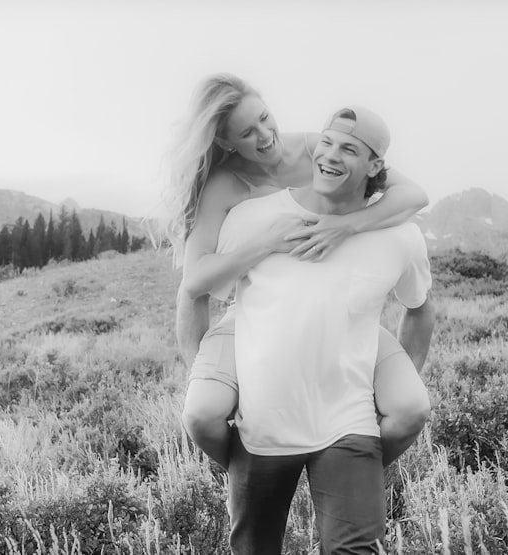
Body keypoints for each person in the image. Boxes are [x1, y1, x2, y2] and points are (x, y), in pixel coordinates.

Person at [160, 73, 432, 471]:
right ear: (225, 142)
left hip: (341, 313)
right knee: (201, 414)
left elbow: (414, 195)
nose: (266, 135)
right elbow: (195, 280)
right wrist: (266, 241)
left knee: (409, 406)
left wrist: (346, 226)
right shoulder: (224, 184)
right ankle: (247, 466)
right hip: (258, 313)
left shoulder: (315, 149)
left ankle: (358, 471)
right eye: (248, 133)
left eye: (266, 118)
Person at [217, 105, 434, 553]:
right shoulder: (252, 219)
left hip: (348, 426)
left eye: (349, 149)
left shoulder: (401, 237)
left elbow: (419, 309)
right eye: (327, 143)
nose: (330, 155)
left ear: (376, 167)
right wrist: (213, 384)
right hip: (262, 428)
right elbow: (211, 300)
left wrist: (397, 379)